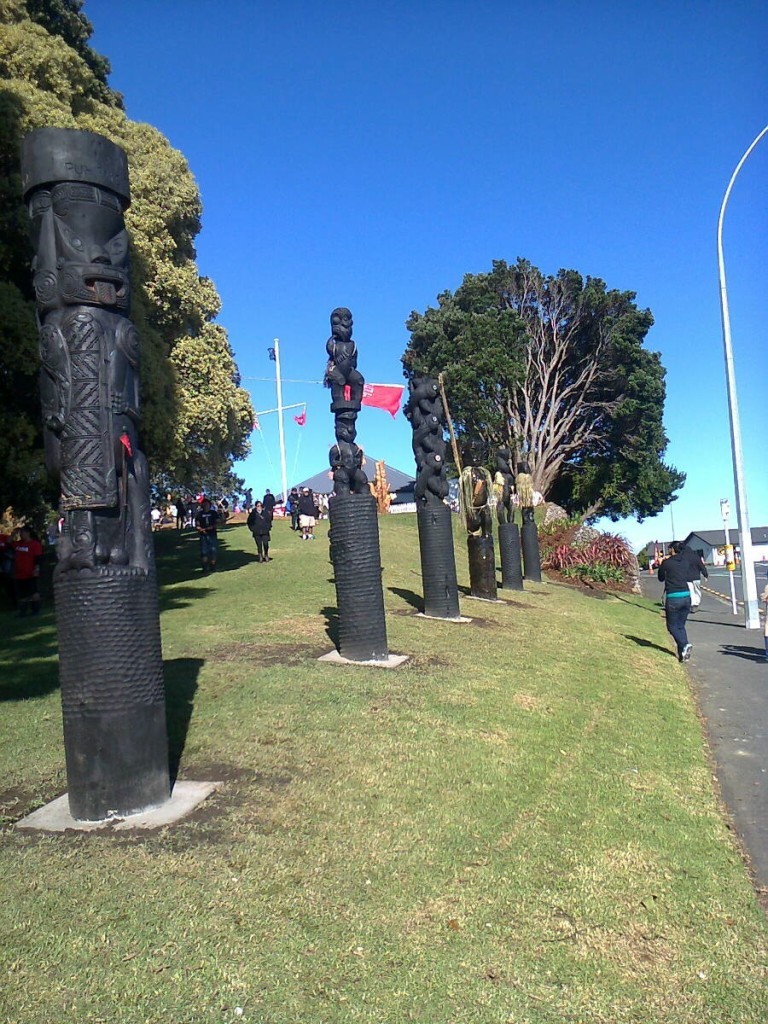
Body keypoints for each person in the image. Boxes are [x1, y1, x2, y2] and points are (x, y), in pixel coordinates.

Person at [658, 541, 693, 661]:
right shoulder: (685, 562)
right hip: (687, 596)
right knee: (680, 626)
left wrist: (661, 564)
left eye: (669, 548)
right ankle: (683, 655)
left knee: (671, 626)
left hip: (673, 597)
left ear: (673, 549)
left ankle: (684, 645)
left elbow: (660, 578)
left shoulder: (667, 563)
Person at [13, 525, 43, 616]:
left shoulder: (34, 544)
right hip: (19, 573)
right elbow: (8, 542)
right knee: (22, 594)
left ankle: (35, 610)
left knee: (34, 591)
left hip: (30, 572)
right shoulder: (18, 544)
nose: (21, 535)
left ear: (28, 533)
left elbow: (38, 557)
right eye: (20, 533)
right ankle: (23, 611)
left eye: (22, 533)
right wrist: (13, 533)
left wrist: (36, 568)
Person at [195, 497, 220, 572]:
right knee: (204, 552)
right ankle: (205, 568)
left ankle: (213, 566)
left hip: (212, 534)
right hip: (203, 536)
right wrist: (200, 528)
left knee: (213, 551)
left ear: (209, 505)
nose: (206, 506)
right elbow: (197, 524)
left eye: (207, 504)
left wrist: (212, 527)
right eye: (204, 504)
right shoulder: (199, 514)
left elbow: (218, 522)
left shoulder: (213, 513)